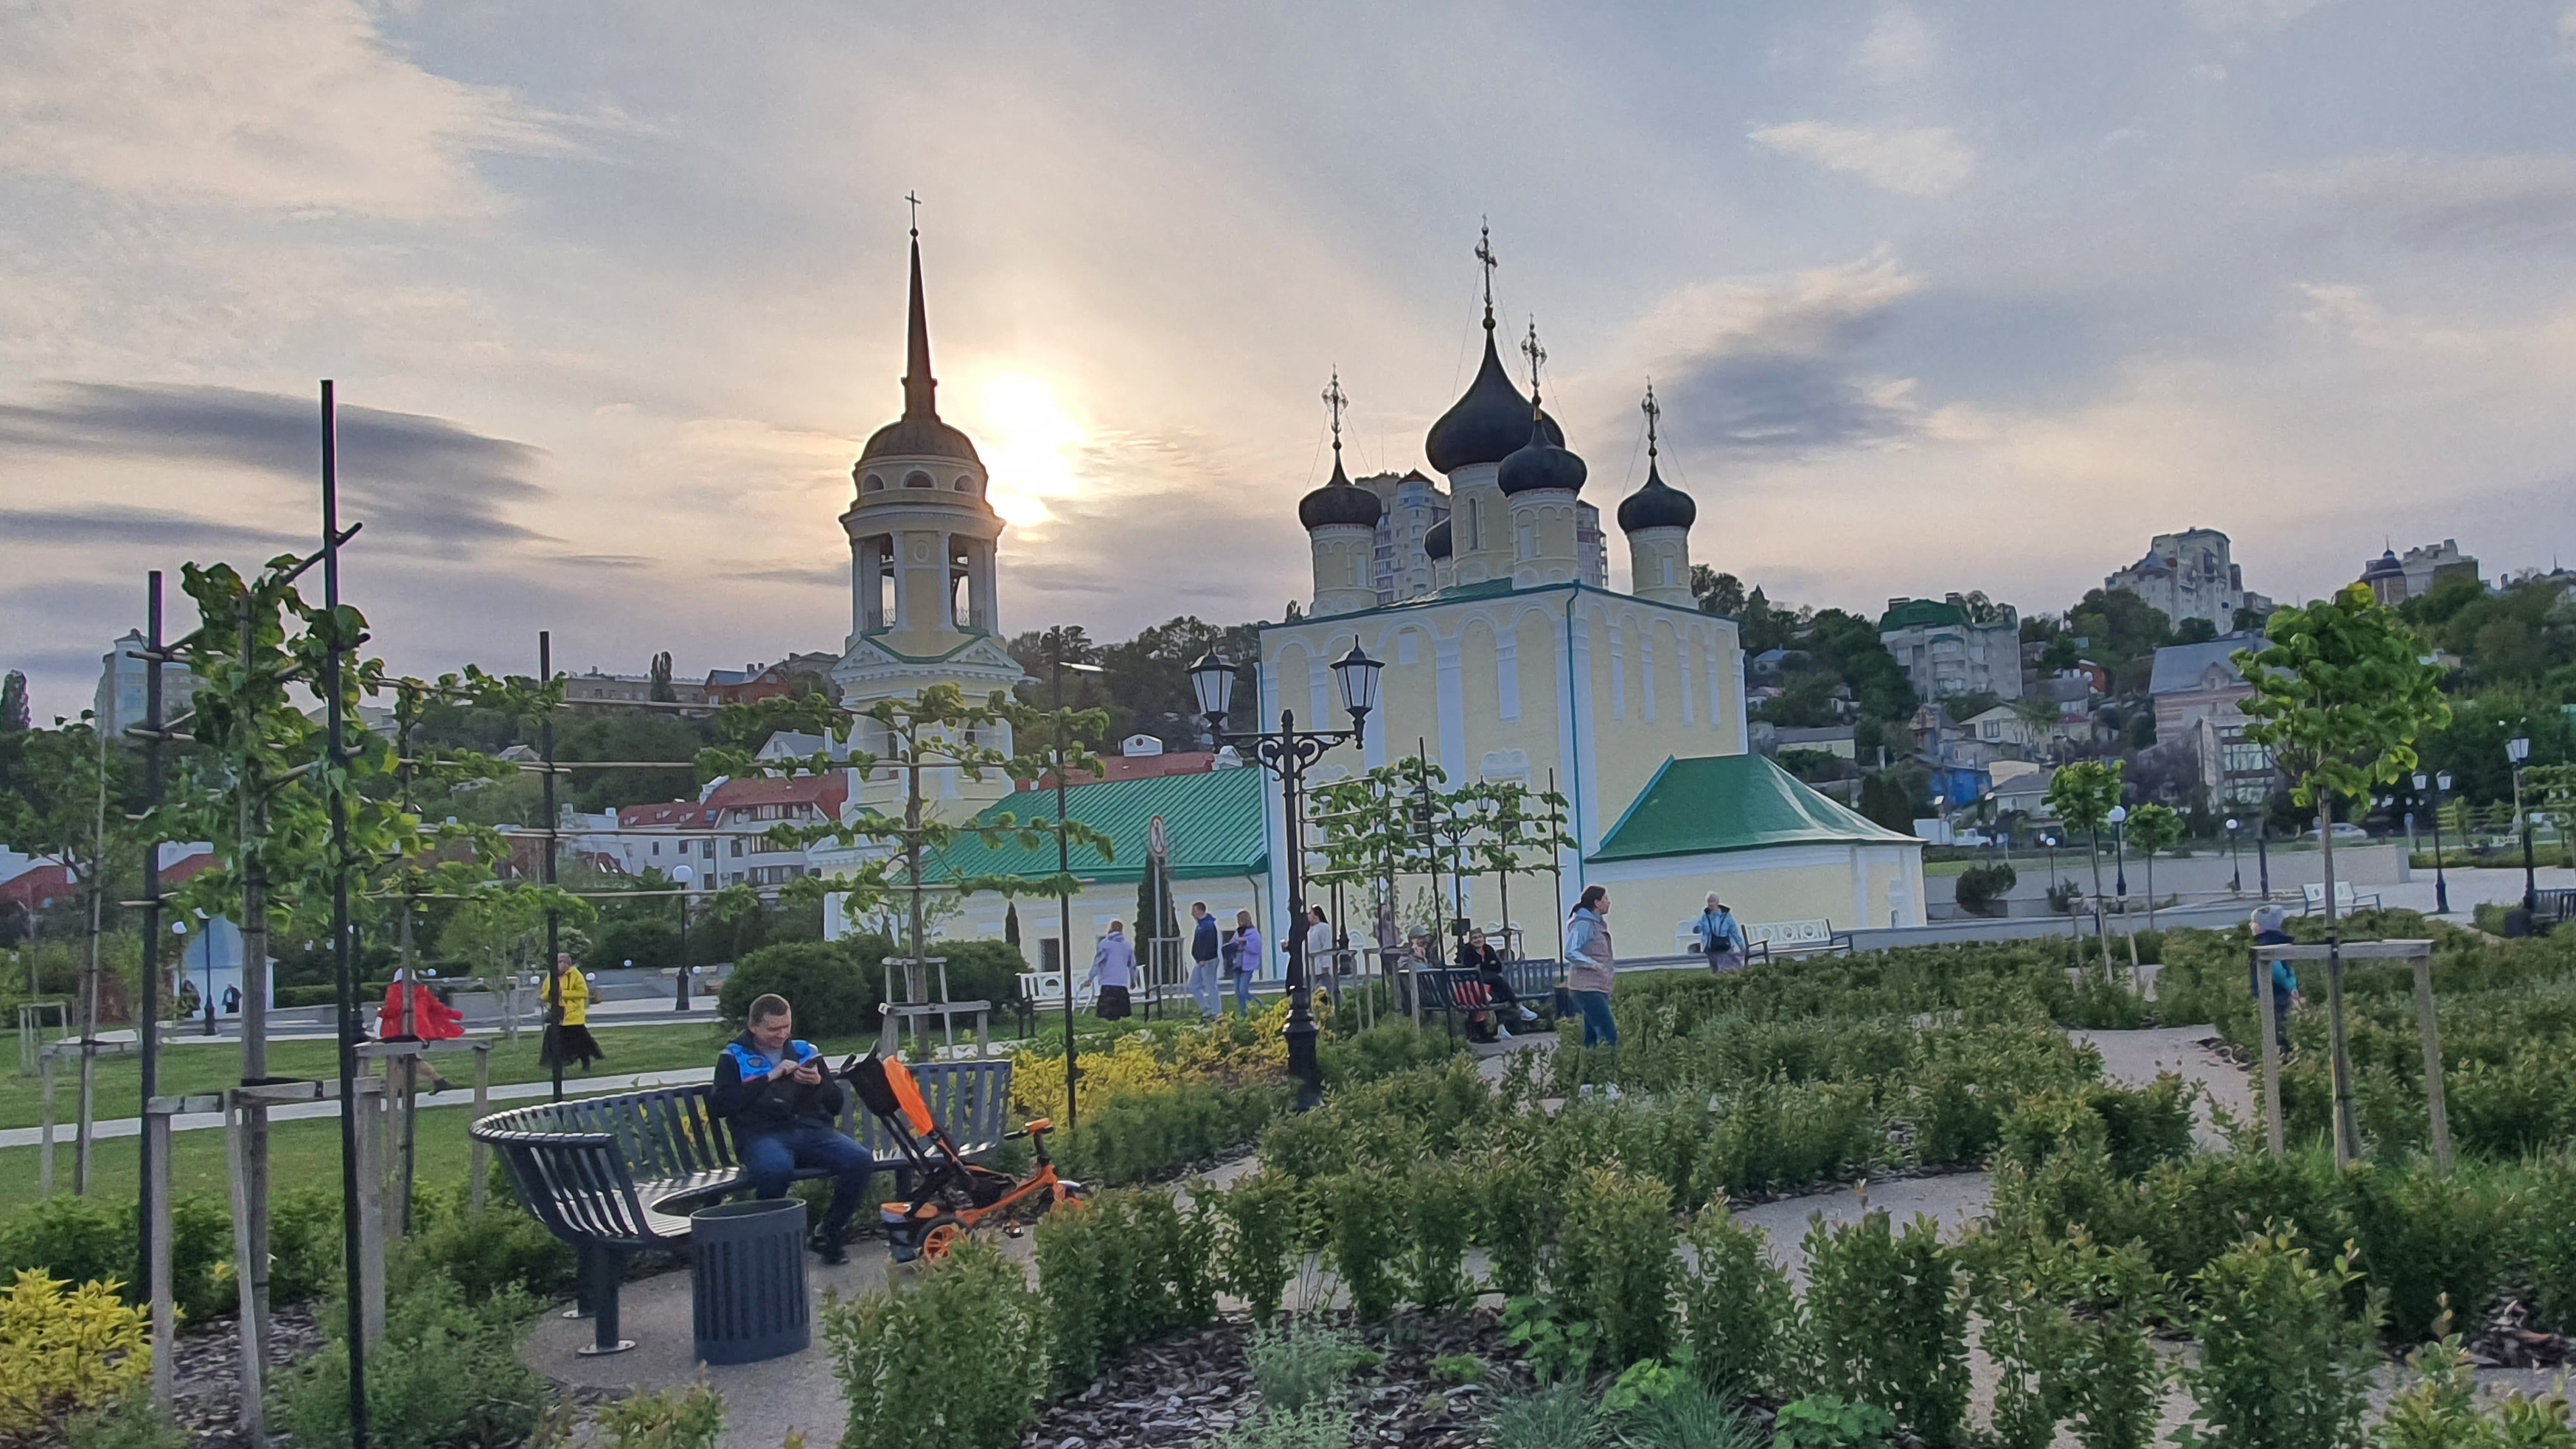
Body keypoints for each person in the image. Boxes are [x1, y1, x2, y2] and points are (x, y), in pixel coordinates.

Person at [711, 994, 873, 1263]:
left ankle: (829, 1233)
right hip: (761, 1135)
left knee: (860, 1160)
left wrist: (820, 1083)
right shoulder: (733, 1057)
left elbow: (835, 1104)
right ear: (754, 1027)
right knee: (775, 1170)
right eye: (773, 1029)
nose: (782, 1034)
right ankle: (769, 1244)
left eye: (786, 1026)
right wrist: (768, 1078)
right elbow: (720, 1106)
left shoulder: (806, 1051)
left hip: (812, 1131)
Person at [377, 964, 464, 1094]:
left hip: (399, 1030)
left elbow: (394, 1009)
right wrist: (455, 1015)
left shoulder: (395, 989)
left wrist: (382, 1013)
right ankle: (436, 1082)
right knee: (409, 1059)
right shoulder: (422, 990)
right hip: (418, 1031)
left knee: (399, 1059)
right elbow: (436, 1007)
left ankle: (402, 1089)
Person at [1456, 926, 1535, 1041]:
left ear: (1483, 938)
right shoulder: (1468, 952)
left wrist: (1485, 967)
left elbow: (1498, 966)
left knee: (1497, 994)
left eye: (1480, 937)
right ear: (1471, 941)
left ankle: (1501, 1027)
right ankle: (1518, 1007)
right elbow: (1473, 968)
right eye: (1474, 938)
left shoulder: (1488, 949)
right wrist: (1488, 966)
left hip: (1489, 984)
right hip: (1475, 983)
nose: (1478, 940)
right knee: (1498, 980)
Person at [1565, 885, 1618, 1047]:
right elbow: (1571, 951)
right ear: (1596, 903)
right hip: (1586, 989)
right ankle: (1608, 1060)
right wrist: (1593, 964)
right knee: (1608, 1033)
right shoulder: (1584, 924)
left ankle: (1589, 1061)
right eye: (1605, 899)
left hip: (1596, 987)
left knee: (1592, 1036)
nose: (1609, 902)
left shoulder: (1596, 924)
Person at [540, 952, 604, 1073]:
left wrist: (563, 994)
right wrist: (551, 995)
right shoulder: (551, 976)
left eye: (563, 963)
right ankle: (559, 1066)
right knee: (556, 1042)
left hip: (573, 1016)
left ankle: (586, 1064)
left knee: (581, 1043)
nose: (560, 965)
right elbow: (544, 994)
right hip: (558, 1015)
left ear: (568, 964)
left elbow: (583, 993)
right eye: (558, 963)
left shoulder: (575, 975)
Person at [2251, 905, 2301, 1052]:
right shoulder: (2281, 943)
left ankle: (2282, 1054)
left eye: (2254, 922)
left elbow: (2276, 970)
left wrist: (2288, 985)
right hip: (2282, 993)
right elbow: (2289, 969)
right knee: (2284, 1022)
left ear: (2262, 927)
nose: (2251, 925)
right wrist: (2293, 985)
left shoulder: (2266, 945)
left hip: (2273, 993)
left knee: (2276, 1027)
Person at [1086, 920, 1137, 1021]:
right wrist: (1133, 980)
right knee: (1122, 1017)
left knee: (1106, 1017)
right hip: (1122, 985)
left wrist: (1090, 978)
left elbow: (1098, 963)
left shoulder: (1105, 945)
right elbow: (1132, 966)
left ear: (1110, 929)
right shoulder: (1127, 946)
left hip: (1107, 984)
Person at [1692, 893, 1749, 974]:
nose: (1710, 905)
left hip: (1724, 947)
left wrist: (1743, 947)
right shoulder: (1706, 915)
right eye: (1709, 903)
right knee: (1715, 970)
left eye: (1712, 903)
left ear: (1717, 903)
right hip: (1711, 947)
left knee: (1726, 969)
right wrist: (1697, 928)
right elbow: (1700, 925)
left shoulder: (1727, 916)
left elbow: (1735, 932)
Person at [1188, 901, 1222, 1019]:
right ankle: (1206, 1008)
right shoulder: (1201, 925)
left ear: (1199, 911)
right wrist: (1197, 957)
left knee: (1210, 986)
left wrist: (1204, 958)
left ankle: (1217, 1012)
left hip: (1208, 961)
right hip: (1200, 961)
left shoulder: (1208, 926)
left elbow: (1209, 944)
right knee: (1193, 985)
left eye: (1194, 911)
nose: (1192, 914)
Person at [1230, 909, 1263, 1016]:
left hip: (1247, 966)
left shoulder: (1254, 933)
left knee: (1243, 990)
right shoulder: (1238, 932)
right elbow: (1232, 944)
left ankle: (1259, 1004)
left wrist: (1245, 944)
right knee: (1237, 991)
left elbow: (1256, 949)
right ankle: (1243, 1012)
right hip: (1237, 964)